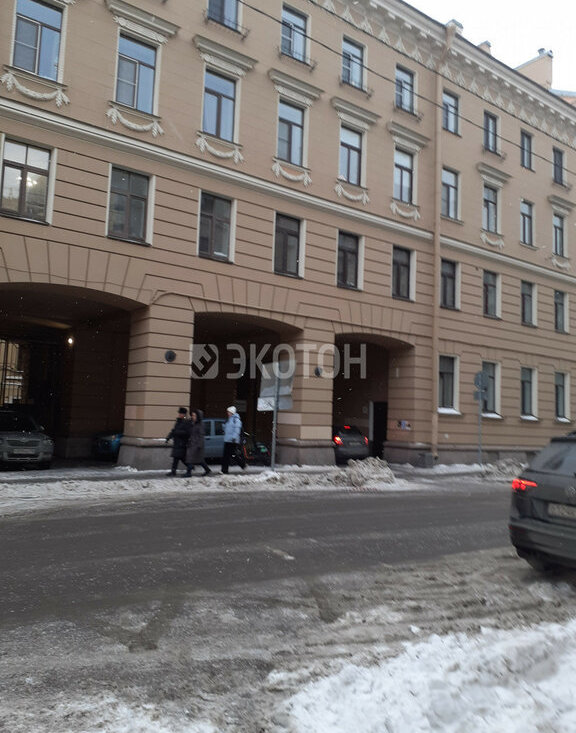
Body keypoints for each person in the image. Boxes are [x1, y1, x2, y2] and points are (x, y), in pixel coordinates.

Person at [165, 406, 192, 476]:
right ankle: (174, 471)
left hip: (182, 443)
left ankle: (190, 467)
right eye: (179, 413)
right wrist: (168, 437)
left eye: (181, 413)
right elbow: (173, 430)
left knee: (181, 458)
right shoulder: (178, 421)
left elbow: (187, 433)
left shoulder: (187, 422)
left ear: (184, 414)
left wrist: (178, 433)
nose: (179, 415)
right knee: (176, 457)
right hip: (177, 442)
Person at [185, 409, 211, 477]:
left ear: (198, 416)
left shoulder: (200, 424)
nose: (193, 417)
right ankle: (207, 470)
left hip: (196, 444)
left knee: (191, 458)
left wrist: (199, 445)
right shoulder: (193, 423)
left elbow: (201, 436)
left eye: (194, 416)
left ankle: (188, 473)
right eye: (192, 415)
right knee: (198, 459)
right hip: (192, 443)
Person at [221, 405, 246, 474]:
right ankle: (224, 470)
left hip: (232, 441)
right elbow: (226, 429)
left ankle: (242, 464)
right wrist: (224, 426)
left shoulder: (236, 420)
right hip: (227, 440)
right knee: (227, 455)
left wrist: (234, 437)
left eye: (228, 412)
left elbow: (237, 430)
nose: (227, 413)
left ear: (232, 412)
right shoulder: (229, 420)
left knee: (232, 455)